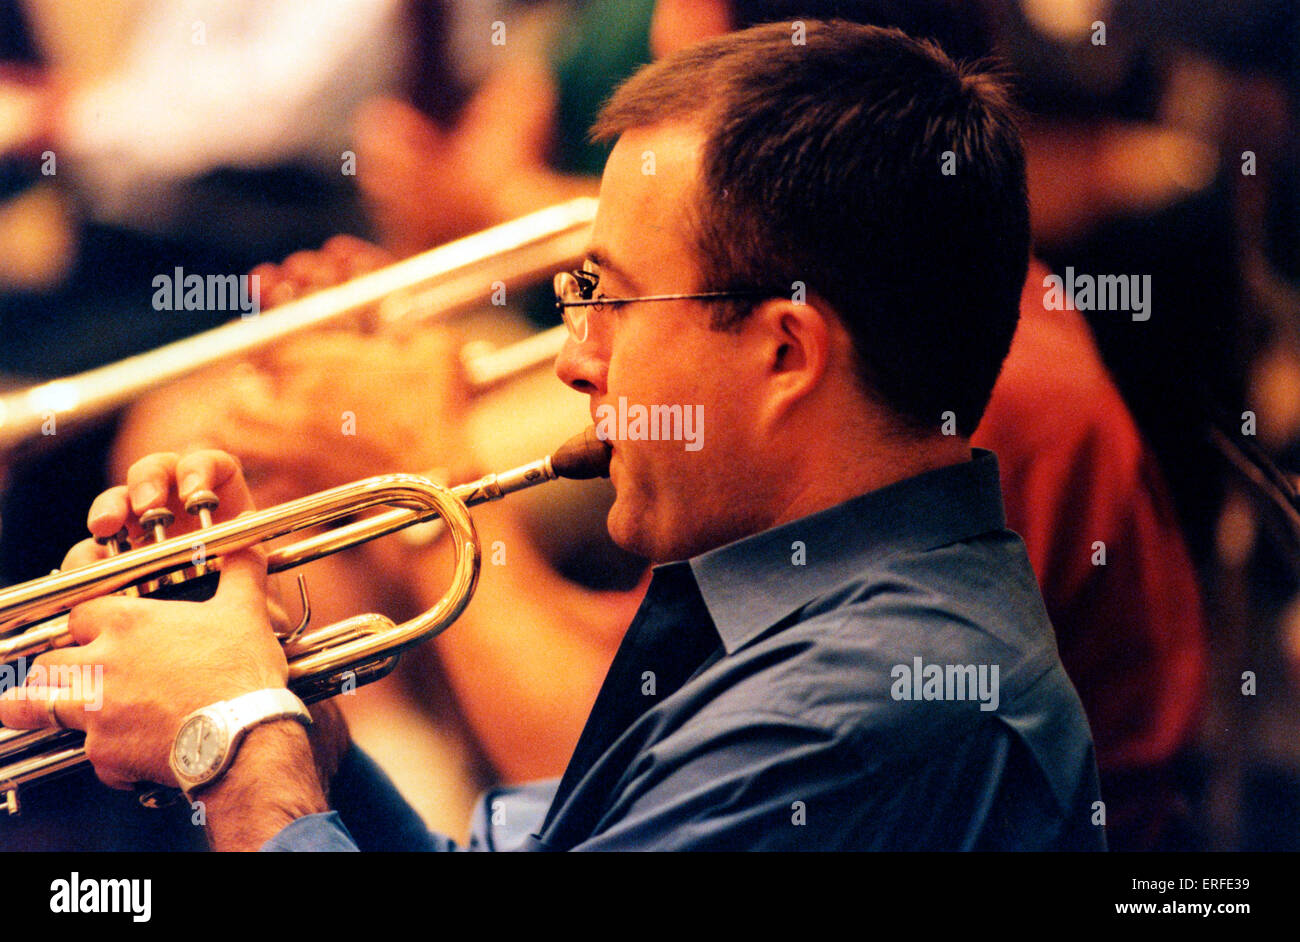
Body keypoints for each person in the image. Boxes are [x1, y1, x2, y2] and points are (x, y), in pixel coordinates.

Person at [1, 21, 1105, 851]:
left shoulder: (863, 718)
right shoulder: (776, 600)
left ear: (784, 353)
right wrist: (286, 702)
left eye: (612, 299)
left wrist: (235, 743)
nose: (576, 354)